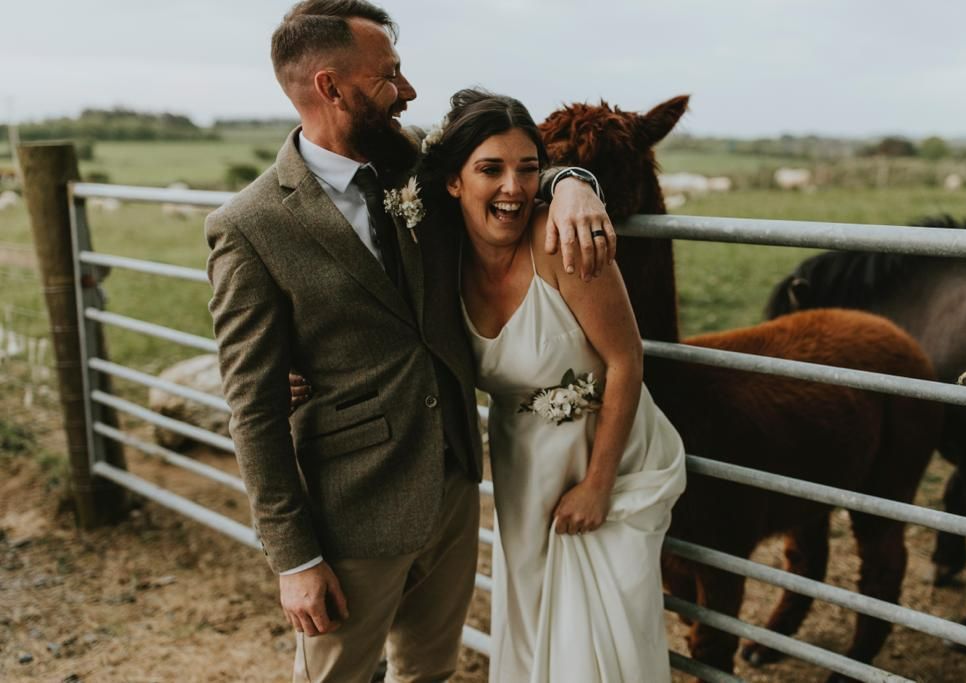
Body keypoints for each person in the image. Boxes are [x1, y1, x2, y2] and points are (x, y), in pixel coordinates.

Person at [204, 2, 615, 682]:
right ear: (332, 87)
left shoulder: (419, 165)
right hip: (352, 510)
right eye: (389, 75)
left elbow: (509, 159)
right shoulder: (249, 225)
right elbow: (251, 405)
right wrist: (295, 560)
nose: (410, 91)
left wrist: (574, 184)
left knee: (429, 672)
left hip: (454, 482)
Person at [413, 88, 687, 683]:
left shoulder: (563, 243)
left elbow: (626, 362)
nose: (513, 187)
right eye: (491, 169)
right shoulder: (440, 255)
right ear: (455, 181)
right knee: (535, 620)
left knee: (602, 635)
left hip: (613, 456)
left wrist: (597, 485)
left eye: (530, 169)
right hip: (524, 464)